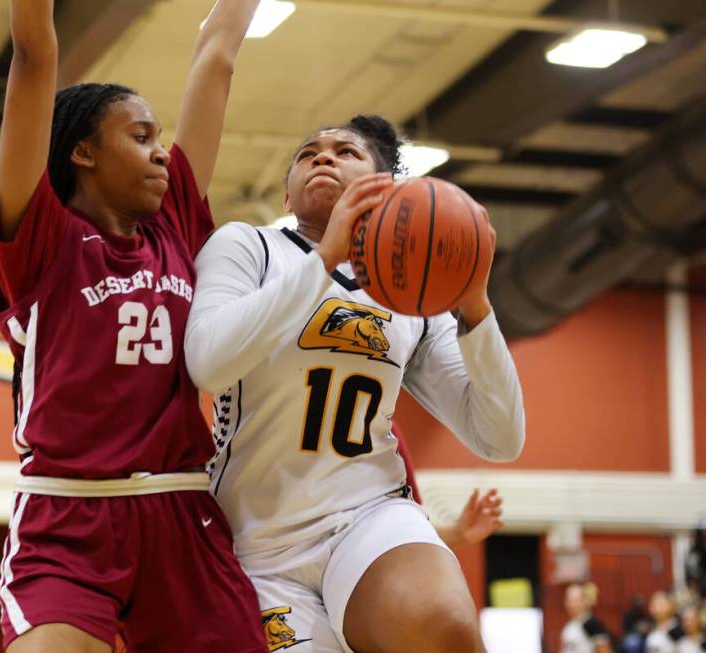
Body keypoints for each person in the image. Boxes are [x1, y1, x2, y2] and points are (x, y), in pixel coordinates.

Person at [185, 114, 525, 653]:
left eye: (345, 151)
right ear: (288, 194)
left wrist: (474, 304)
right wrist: (326, 258)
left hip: (369, 517)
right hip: (256, 543)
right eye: (307, 153)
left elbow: (500, 437)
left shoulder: (411, 294)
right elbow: (207, 363)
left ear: (386, 187)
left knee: (445, 627)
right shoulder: (247, 247)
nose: (322, 157)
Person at [0, 1, 267, 651]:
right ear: (83, 151)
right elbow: (34, 56)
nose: (162, 151)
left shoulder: (174, 225)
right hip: (66, 517)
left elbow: (216, 53)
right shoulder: (42, 238)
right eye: (139, 136)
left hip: (181, 511)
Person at [560, 582, 613, 653]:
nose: (569, 604)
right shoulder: (569, 626)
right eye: (568, 600)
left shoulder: (592, 624)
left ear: (583, 601)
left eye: (574, 600)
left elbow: (605, 650)